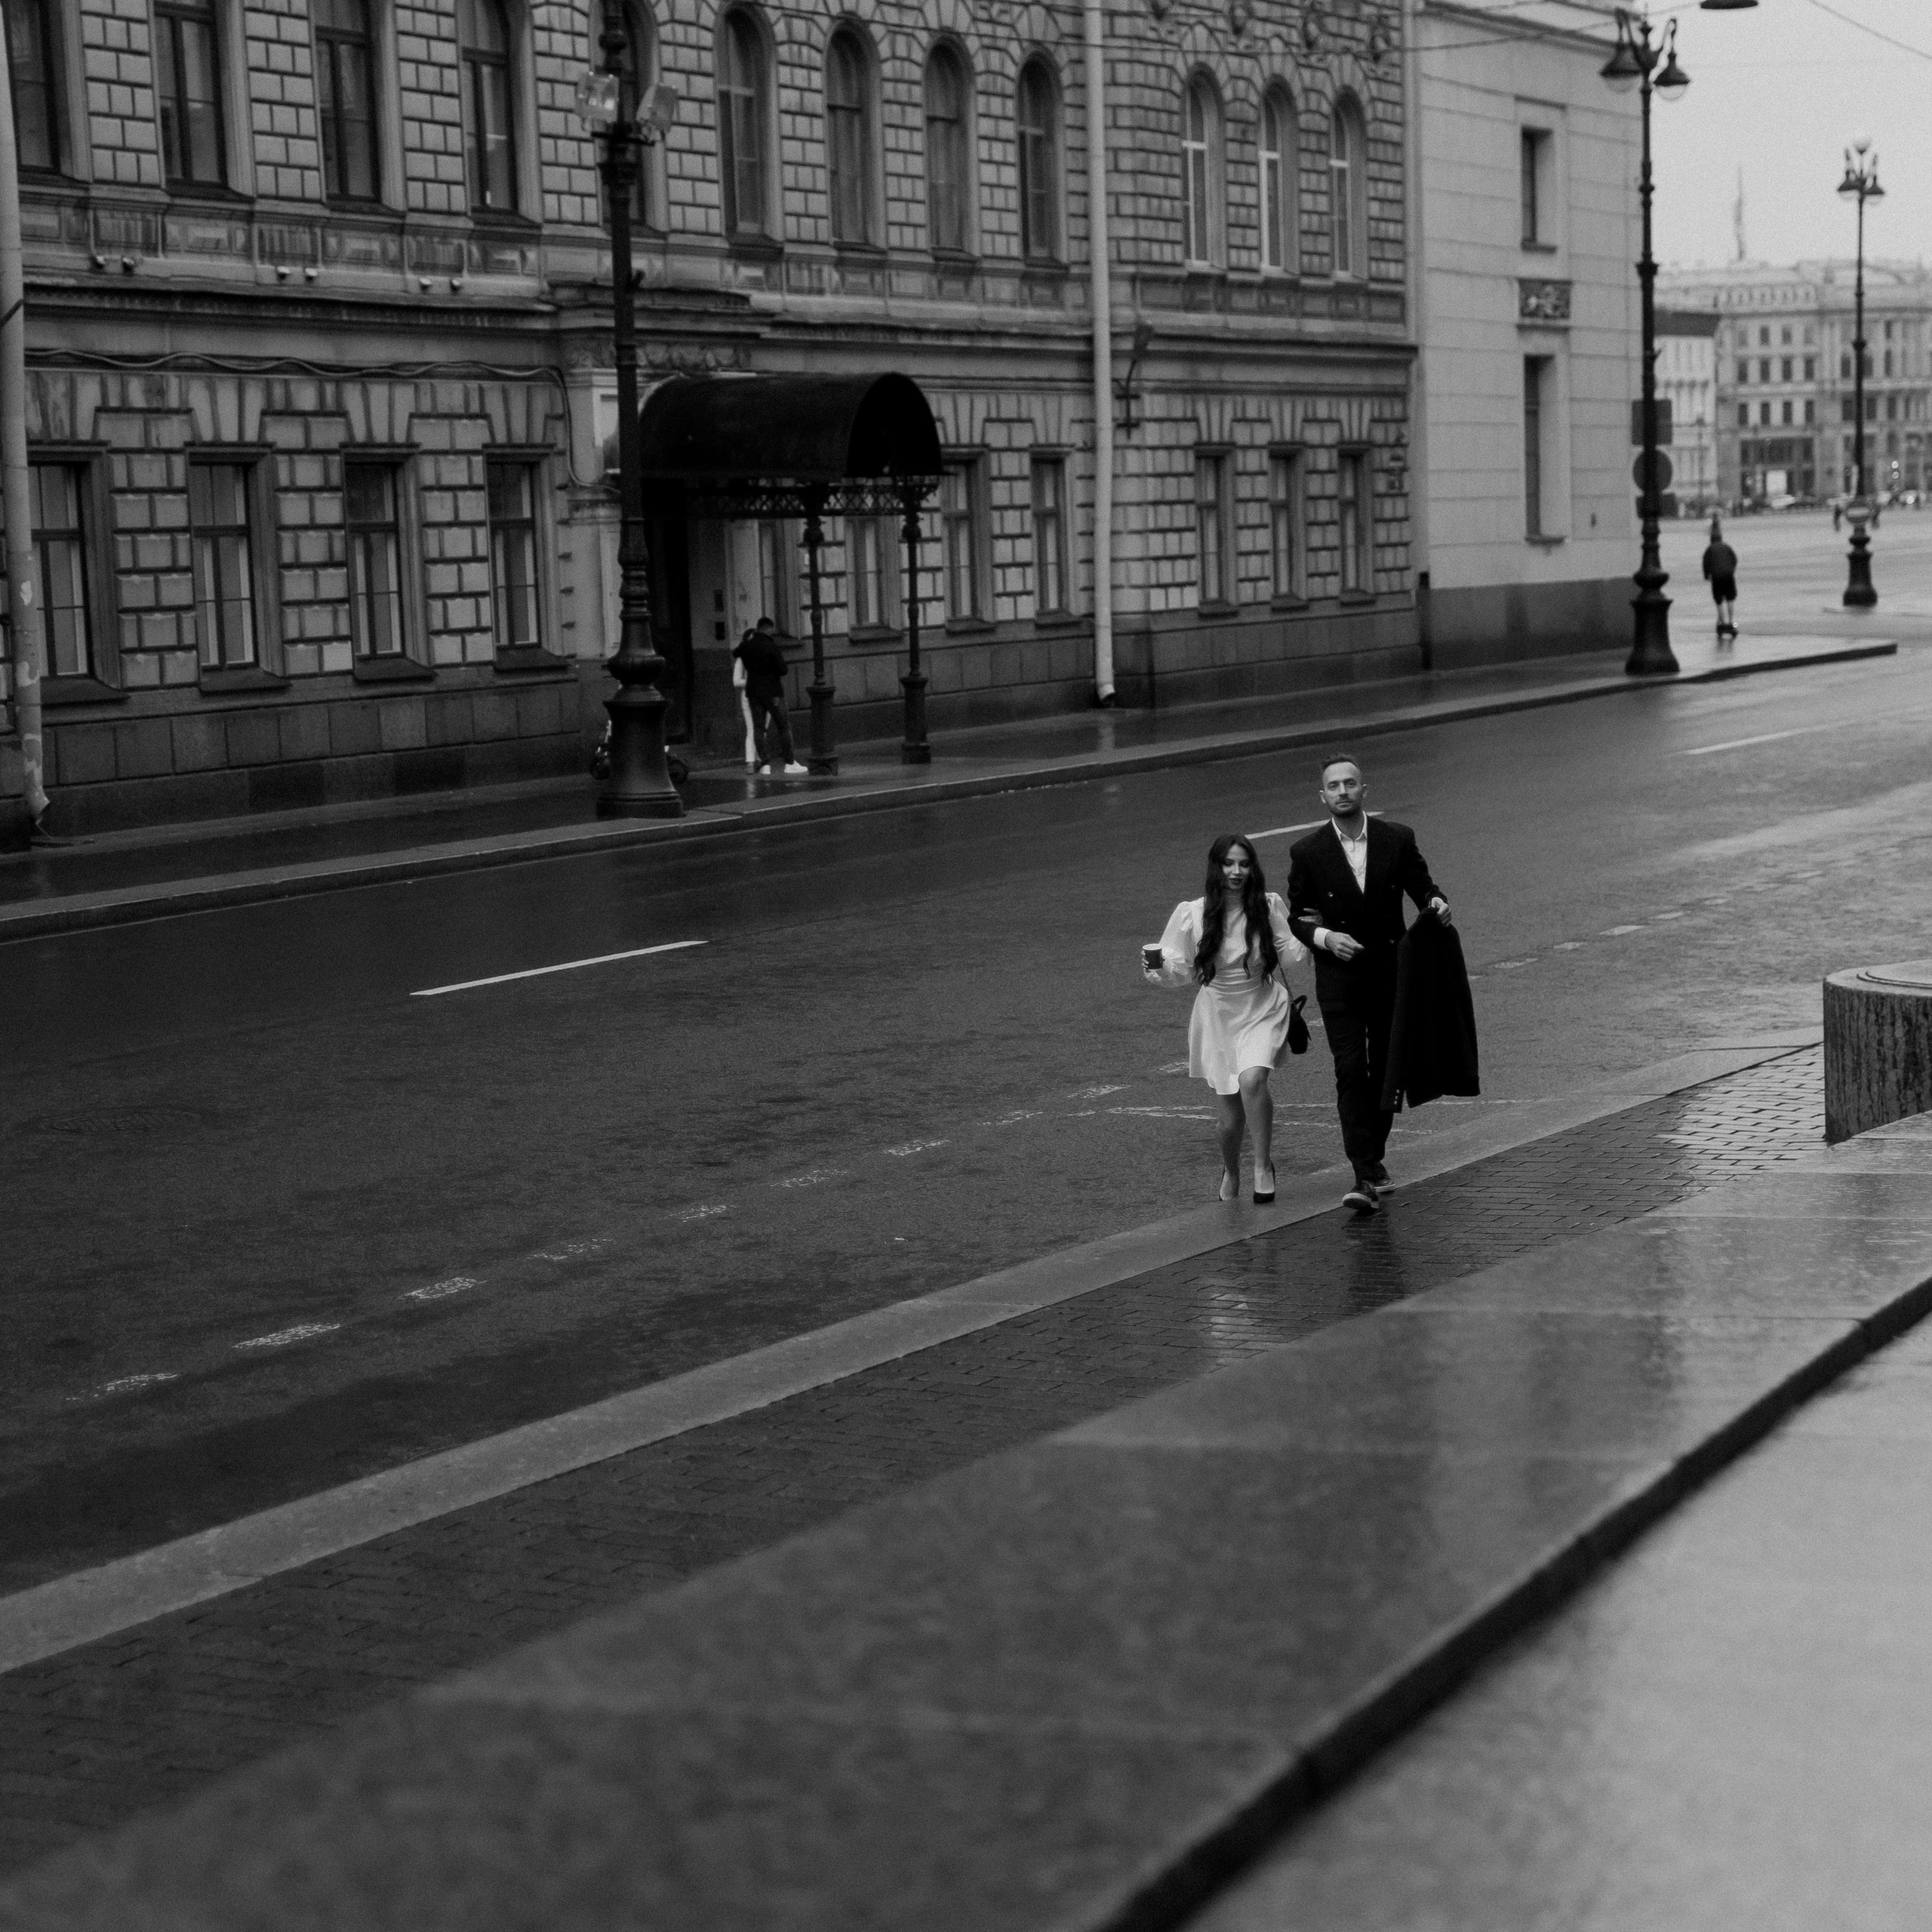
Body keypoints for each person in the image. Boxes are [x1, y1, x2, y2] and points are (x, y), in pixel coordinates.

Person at [1287, 755, 1451, 1216]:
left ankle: (1373, 1159)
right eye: (1333, 786)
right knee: (1350, 1069)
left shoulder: (1396, 839)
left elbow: (1424, 888)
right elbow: (1297, 917)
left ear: (1364, 790)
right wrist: (1325, 937)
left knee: (1385, 1071)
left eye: (1349, 784)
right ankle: (1363, 1171)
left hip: (1388, 971)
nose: (1342, 792)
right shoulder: (1309, 852)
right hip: (1339, 977)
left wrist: (1438, 903)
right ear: (1323, 797)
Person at [1144, 834, 1308, 1205]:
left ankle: (1262, 1167)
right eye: (1228, 863)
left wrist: (1313, 935)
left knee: (1253, 1078)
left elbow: (1293, 954)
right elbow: (1179, 970)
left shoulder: (1268, 906)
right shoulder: (1193, 913)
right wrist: (1156, 967)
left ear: (1253, 868)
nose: (1236, 871)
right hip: (1218, 1015)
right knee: (1231, 1121)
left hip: (1262, 1005)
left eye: (1244, 864)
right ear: (1215, 867)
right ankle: (1231, 1168)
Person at [732, 617, 807, 776]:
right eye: (772, 630)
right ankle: (790, 763)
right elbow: (783, 670)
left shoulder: (747, 646)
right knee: (783, 726)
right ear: (768, 629)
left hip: (753, 692)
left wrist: (749, 644)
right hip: (773, 692)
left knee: (758, 728)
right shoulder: (771, 646)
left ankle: (765, 765)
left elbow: (736, 652)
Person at [1702, 517, 1739, 640]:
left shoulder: (1710, 549)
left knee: (1718, 601)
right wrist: (1731, 570)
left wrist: (1707, 575)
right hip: (1728, 576)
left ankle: (1721, 622)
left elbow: (1705, 564)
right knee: (1730, 599)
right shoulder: (1727, 547)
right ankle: (1731, 621)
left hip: (1716, 577)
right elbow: (1734, 559)